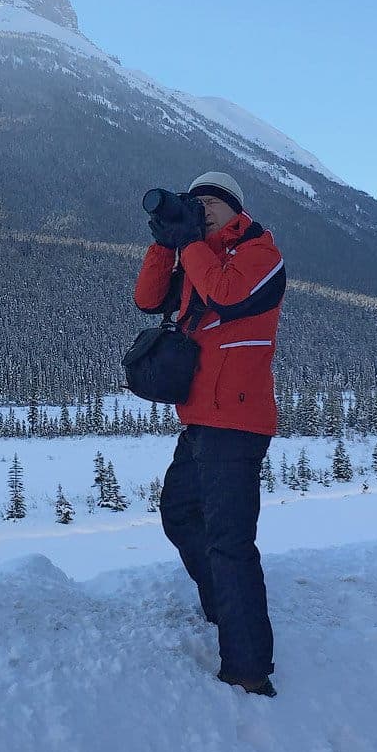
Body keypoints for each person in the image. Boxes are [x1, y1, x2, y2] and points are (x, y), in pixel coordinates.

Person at [133, 171, 286, 698]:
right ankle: (226, 607)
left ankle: (248, 668)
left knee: (230, 540)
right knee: (178, 512)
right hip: (199, 418)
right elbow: (147, 298)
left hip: (238, 422)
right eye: (194, 204)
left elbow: (227, 296)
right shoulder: (194, 255)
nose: (201, 211)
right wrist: (163, 243)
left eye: (210, 205)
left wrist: (192, 243)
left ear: (233, 209)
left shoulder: (261, 254)